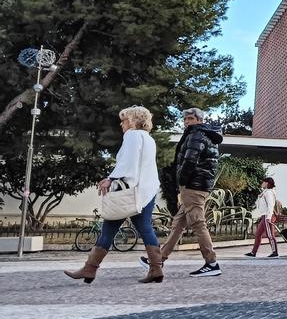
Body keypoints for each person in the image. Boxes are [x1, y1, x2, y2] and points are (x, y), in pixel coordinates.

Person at [66, 106, 163, 284]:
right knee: (145, 228)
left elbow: (128, 162)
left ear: (133, 121)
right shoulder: (148, 139)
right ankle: (156, 269)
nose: (121, 123)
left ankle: (90, 268)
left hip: (128, 192)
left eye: (124, 120)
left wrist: (111, 179)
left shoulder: (133, 135)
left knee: (109, 228)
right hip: (146, 192)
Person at [151, 107, 224, 277]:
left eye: (190, 119)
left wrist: (181, 182)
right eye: (185, 119)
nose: (186, 122)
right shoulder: (205, 135)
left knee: (198, 223)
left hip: (193, 186)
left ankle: (212, 263)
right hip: (197, 185)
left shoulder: (197, 135)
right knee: (178, 224)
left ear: (199, 120)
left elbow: (190, 161)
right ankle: (159, 258)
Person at [245, 177, 279, 258]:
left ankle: (275, 252)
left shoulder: (269, 193)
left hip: (267, 216)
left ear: (267, 183)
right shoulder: (265, 192)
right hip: (264, 216)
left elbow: (270, 205)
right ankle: (253, 252)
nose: (261, 183)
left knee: (270, 235)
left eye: (263, 182)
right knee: (258, 234)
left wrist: (269, 217)